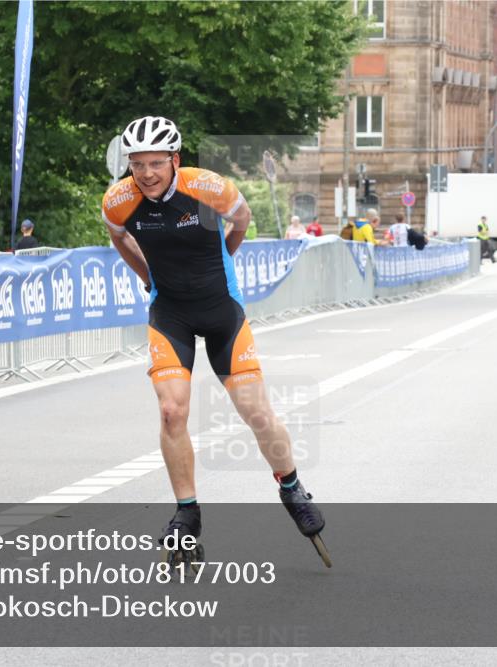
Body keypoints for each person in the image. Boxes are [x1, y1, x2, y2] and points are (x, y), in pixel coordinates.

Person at [101, 116, 329, 566]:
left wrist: (223, 261)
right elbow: (118, 237)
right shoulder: (119, 200)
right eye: (137, 164)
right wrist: (149, 278)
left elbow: (242, 219)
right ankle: (188, 514)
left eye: (155, 163)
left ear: (174, 160)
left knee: (257, 413)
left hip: (221, 310)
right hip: (170, 315)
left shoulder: (206, 187)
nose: (145, 173)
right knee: (171, 412)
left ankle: (291, 486)